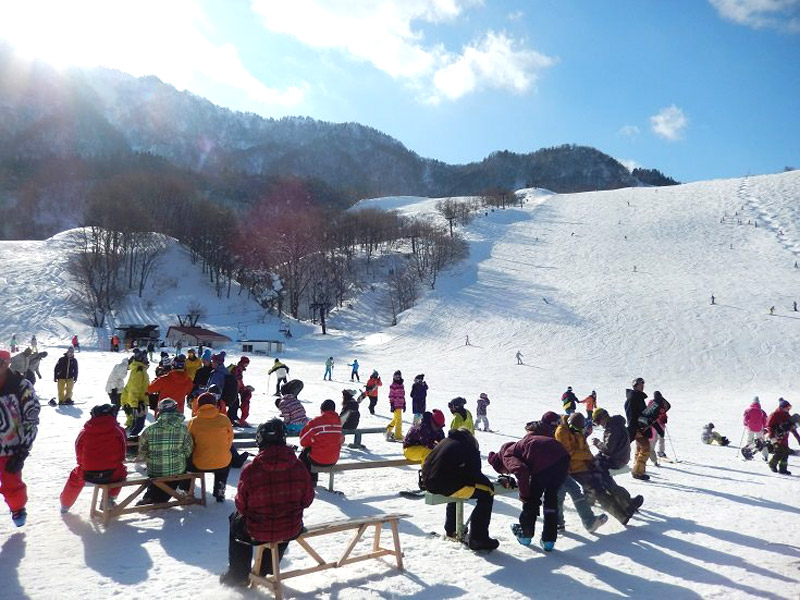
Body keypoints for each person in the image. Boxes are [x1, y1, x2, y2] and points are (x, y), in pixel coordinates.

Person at [219, 419, 314, 588]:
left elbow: (242, 505)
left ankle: (238, 575)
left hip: (258, 530)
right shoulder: (299, 467)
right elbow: (307, 500)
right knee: (283, 525)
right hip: (291, 528)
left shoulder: (251, 470)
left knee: (236, 523)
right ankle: (263, 569)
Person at [488, 430, 571, 550]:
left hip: (544, 461)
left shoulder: (507, 455)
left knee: (531, 499)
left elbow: (521, 472)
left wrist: (524, 496)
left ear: (500, 464)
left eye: (505, 471)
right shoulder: (518, 447)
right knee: (551, 500)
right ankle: (549, 540)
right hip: (562, 458)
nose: (507, 473)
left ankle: (525, 535)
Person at [556, 413, 641, 525]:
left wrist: (592, 459)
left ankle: (622, 515)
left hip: (581, 467)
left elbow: (585, 447)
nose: (578, 431)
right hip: (568, 468)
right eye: (576, 429)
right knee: (567, 493)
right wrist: (588, 457)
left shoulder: (579, 430)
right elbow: (569, 453)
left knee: (598, 489)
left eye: (580, 429)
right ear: (570, 424)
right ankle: (561, 521)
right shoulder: (561, 432)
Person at [422, 428, 498, 551]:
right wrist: (490, 485)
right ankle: (479, 538)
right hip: (445, 484)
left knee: (456, 486)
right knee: (487, 494)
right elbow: (475, 473)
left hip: (429, 482)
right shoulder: (468, 447)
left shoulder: (444, 441)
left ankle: (451, 529)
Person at [60, 404, 127, 513]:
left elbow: (78, 448)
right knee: (122, 472)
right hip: (111, 473)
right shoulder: (118, 430)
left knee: (75, 477)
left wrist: (82, 463)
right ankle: (109, 499)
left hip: (87, 472)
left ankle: (65, 504)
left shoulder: (85, 432)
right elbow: (123, 450)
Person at [0, 350, 40, 527]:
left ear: (7, 363)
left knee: (12, 485)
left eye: (1, 362)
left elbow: (31, 419)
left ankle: (17, 509)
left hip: (11, 448)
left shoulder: (21, 386)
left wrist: (23, 450)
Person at [137, 398, 193, 504]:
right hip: (177, 469)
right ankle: (160, 497)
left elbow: (142, 451)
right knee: (178, 470)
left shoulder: (149, 429)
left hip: (154, 470)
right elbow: (188, 450)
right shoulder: (183, 429)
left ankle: (151, 496)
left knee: (159, 473)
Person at [186, 392, 234, 501]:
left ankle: (187, 489)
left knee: (187, 463)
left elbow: (189, 442)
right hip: (222, 461)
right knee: (224, 465)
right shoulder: (224, 419)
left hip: (200, 463)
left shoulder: (194, 422)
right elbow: (230, 438)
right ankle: (219, 491)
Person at [299, 399, 343, 486]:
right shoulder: (338, 422)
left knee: (305, 454)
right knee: (316, 451)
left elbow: (303, 440)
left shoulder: (316, 422)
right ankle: (313, 480)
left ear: (321, 410)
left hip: (318, 460)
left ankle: (308, 481)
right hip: (333, 459)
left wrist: (311, 443)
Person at [624, 377, 650, 481]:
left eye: (643, 383)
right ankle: (637, 471)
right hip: (637, 428)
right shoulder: (633, 398)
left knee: (640, 448)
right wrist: (636, 429)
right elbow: (631, 415)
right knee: (645, 448)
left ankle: (637, 470)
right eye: (640, 384)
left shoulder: (638, 397)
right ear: (635, 385)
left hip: (640, 428)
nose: (642, 385)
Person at [120, 350, 150, 436]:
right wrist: (134, 405)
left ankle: (130, 438)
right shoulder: (138, 372)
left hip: (138, 402)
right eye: (145, 359)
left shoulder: (142, 370)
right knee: (135, 426)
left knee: (137, 426)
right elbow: (134, 389)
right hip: (134, 403)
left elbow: (143, 388)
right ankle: (128, 442)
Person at [766, 399, 800, 475]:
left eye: (789, 408)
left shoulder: (788, 416)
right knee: (779, 452)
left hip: (784, 438)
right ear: (782, 407)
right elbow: (769, 427)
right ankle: (772, 464)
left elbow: (793, 429)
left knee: (785, 454)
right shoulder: (774, 415)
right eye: (787, 408)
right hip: (775, 438)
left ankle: (783, 469)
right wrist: (772, 438)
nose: (788, 409)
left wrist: (798, 439)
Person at [742, 397, 769, 461]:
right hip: (759, 429)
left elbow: (745, 418)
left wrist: (745, 424)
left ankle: (747, 455)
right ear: (759, 403)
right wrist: (764, 426)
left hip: (750, 428)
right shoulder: (762, 411)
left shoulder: (748, 410)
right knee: (762, 442)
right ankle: (765, 456)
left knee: (749, 441)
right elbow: (765, 420)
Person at [230, 357, 252, 426]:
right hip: (233, 389)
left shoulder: (239, 368)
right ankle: (232, 418)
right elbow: (237, 380)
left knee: (235, 403)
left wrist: (243, 388)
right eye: (247, 363)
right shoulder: (238, 369)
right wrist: (242, 388)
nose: (247, 365)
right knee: (234, 404)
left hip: (234, 389)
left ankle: (232, 418)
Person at [386, 370, 406, 441]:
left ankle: (387, 430)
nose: (397, 377)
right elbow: (391, 395)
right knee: (399, 420)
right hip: (395, 404)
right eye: (396, 376)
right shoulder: (393, 385)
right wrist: (392, 404)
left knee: (395, 419)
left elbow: (403, 394)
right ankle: (398, 435)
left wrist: (404, 403)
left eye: (398, 376)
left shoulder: (401, 384)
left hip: (400, 404)